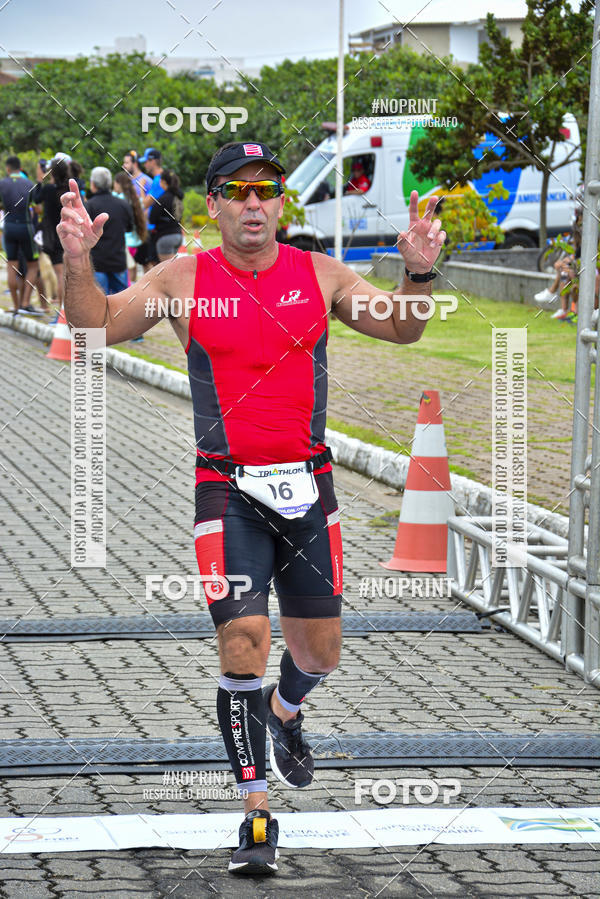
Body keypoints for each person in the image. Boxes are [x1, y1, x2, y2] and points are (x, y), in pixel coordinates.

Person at [57, 140, 445, 877]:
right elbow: (92, 328)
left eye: (267, 190)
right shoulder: (183, 277)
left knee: (316, 654)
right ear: (215, 206)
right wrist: (78, 258)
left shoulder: (318, 273)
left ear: (281, 203)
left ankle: (286, 710)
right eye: (237, 191)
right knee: (243, 639)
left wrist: (419, 271)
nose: (255, 203)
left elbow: (403, 324)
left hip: (310, 487)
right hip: (226, 487)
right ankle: (256, 815)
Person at [30, 156, 73, 306]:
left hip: (53, 236)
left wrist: (39, 181)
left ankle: (61, 312)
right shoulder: (69, 189)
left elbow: (35, 198)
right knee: (68, 275)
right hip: (69, 234)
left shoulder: (48, 189)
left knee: (60, 274)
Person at [84, 166, 133, 295]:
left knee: (100, 303)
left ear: (93, 184)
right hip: (118, 260)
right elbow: (129, 228)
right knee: (123, 301)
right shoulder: (122, 204)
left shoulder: (89, 206)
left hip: (98, 262)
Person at [0, 155, 38, 313]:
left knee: (11, 266)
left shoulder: (2, 183)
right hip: (26, 227)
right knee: (33, 266)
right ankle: (25, 302)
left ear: (8, 168)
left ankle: (15, 305)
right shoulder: (29, 184)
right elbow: (36, 208)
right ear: (20, 168)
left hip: (9, 226)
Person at [113, 171, 148, 283]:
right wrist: (141, 189)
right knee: (136, 271)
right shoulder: (135, 199)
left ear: (118, 184)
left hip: (125, 241)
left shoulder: (117, 198)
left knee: (128, 274)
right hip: (138, 240)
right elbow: (144, 205)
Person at [148, 169, 184, 261]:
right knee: (172, 266)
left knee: (166, 270)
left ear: (163, 182)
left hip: (165, 237)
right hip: (178, 235)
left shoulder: (163, 198)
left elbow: (152, 218)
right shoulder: (178, 196)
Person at [139, 147, 164, 271]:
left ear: (153, 161)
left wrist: (142, 188)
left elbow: (146, 203)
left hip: (156, 229)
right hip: (158, 226)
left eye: (146, 161)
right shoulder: (161, 178)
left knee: (156, 265)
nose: (144, 165)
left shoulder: (159, 180)